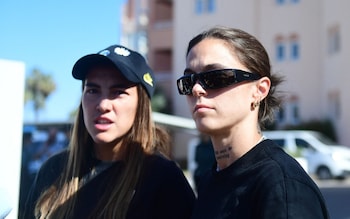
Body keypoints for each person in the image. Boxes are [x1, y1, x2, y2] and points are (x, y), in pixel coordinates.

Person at [23, 45, 195, 219]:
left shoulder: (163, 179)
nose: (103, 105)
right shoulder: (53, 170)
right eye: (93, 90)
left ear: (141, 105)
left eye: (118, 92)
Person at [176, 26, 330, 219]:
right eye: (188, 81)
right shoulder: (210, 179)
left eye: (215, 77)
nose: (197, 89)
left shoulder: (282, 187)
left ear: (259, 90)